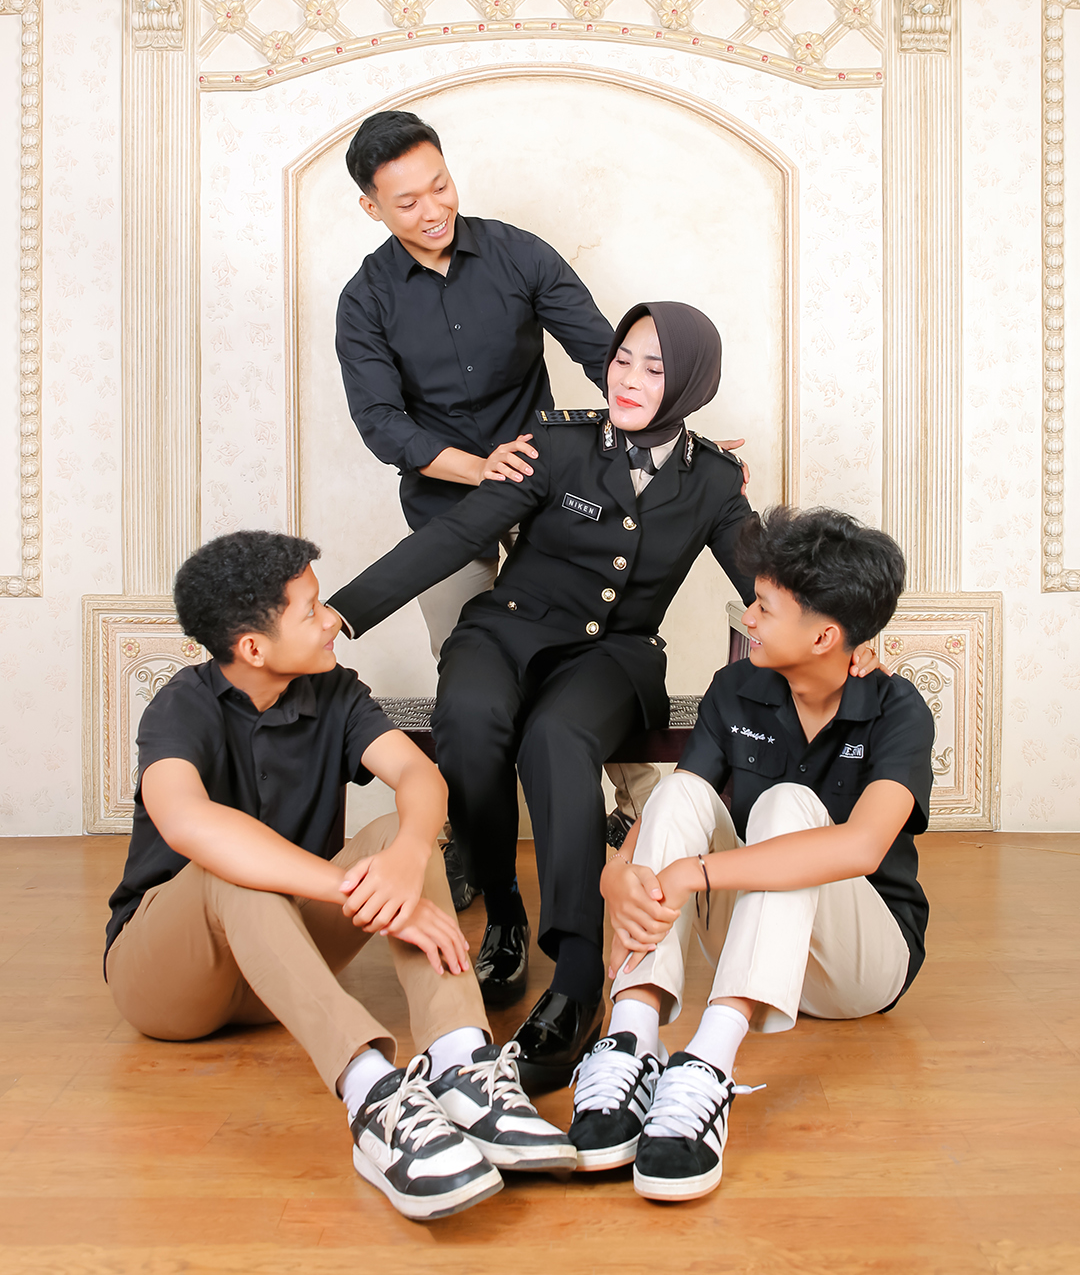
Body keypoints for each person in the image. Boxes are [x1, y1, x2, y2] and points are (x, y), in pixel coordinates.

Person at [328, 303, 876, 1091]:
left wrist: (846, 633)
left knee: (556, 738)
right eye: (624, 359)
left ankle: (579, 974)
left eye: (656, 368)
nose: (629, 378)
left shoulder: (714, 482)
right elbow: (453, 537)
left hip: (614, 656)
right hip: (507, 630)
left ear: (689, 382)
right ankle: (507, 925)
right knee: (471, 720)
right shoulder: (556, 444)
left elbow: (768, 582)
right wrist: (343, 610)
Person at [104, 531, 574, 1224]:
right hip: (172, 982)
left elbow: (418, 775)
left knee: (392, 836)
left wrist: (410, 854)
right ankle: (374, 1098)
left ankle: (461, 1064)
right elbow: (189, 825)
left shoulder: (337, 693)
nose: (333, 621)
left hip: (287, 959)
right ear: (253, 648)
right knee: (228, 869)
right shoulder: (183, 706)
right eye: (312, 610)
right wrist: (355, 892)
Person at [336, 110, 672, 907]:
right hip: (447, 509)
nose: (434, 209)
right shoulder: (366, 299)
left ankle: (635, 821)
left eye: (441, 185)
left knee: (587, 646)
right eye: (408, 200)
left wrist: (676, 435)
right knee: (470, 684)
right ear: (372, 208)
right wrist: (479, 468)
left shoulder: (519, 253)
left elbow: (604, 354)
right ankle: (472, 845)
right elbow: (383, 422)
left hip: (550, 489)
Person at [570, 506, 934, 1202]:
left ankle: (708, 1062)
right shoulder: (735, 687)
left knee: (788, 808)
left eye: (764, 607)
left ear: (827, 636)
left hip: (860, 966)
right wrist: (620, 872)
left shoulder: (898, 710)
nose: (749, 618)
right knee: (675, 799)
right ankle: (633, 1036)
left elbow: (860, 847)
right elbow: (680, 809)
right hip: (759, 944)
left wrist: (697, 872)